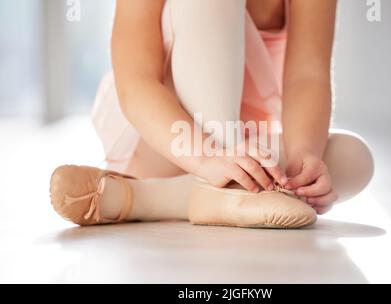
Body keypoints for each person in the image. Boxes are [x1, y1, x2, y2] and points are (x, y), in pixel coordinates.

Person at [50, 0, 374, 229]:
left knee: (354, 158)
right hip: (165, 137)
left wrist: (305, 154)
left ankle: (139, 198)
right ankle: (213, 188)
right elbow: (136, 84)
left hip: (243, 154)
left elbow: (308, 76)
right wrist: (207, 157)